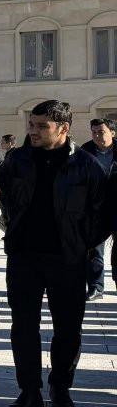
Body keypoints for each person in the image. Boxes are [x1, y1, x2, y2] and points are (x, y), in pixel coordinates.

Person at [0, 102, 111, 407]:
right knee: (23, 327)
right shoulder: (17, 160)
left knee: (68, 328)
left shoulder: (87, 166)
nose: (33, 131)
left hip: (68, 259)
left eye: (41, 126)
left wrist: (81, 245)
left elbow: (102, 215)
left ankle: (60, 388)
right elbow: (6, 201)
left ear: (63, 128)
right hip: (24, 257)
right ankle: (29, 391)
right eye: (31, 124)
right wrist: (15, 233)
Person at [80, 118, 115, 300]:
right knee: (94, 249)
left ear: (112, 133)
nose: (97, 136)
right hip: (95, 208)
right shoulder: (85, 152)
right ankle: (95, 287)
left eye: (101, 132)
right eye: (94, 132)